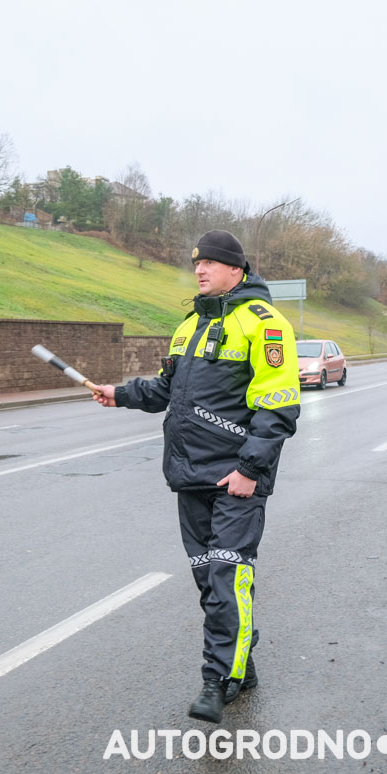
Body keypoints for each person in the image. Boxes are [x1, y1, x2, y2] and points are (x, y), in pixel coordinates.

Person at [91, 230, 300, 723]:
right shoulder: (189, 325)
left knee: (228, 572)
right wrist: (118, 393)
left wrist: (250, 469)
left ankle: (217, 680)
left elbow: (278, 406)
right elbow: (168, 389)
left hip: (236, 478)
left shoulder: (265, 324)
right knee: (209, 577)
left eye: (210, 262)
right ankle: (240, 662)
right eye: (197, 264)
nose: (200, 270)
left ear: (236, 269)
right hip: (189, 476)